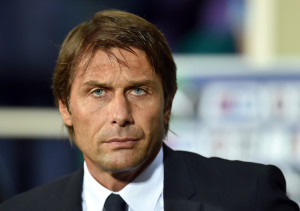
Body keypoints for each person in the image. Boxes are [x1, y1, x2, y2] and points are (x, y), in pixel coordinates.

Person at [0, 9, 299, 211]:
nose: (120, 114)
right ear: (65, 108)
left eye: (138, 90)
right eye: (98, 92)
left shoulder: (250, 197)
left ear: (168, 104)